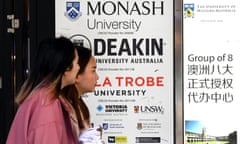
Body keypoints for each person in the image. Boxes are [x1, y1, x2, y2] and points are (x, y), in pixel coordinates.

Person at [6, 37, 80, 144]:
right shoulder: (47, 106)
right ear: (66, 67)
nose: (78, 67)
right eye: (77, 62)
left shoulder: (40, 98)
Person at [61, 45, 102, 143]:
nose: (97, 77)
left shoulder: (79, 105)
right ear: (77, 74)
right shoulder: (62, 108)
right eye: (93, 70)